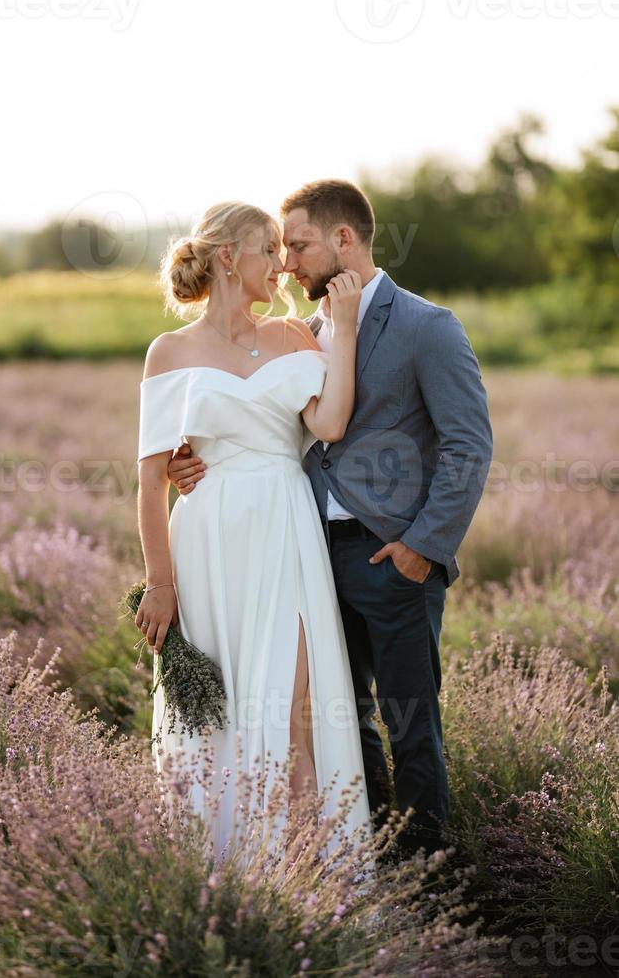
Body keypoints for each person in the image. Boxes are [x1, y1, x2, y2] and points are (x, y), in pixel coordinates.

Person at [168, 180, 494, 858]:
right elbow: (267, 422)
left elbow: (469, 445)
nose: (287, 263)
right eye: (281, 248)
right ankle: (368, 858)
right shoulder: (303, 333)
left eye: (299, 245)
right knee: (340, 724)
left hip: (394, 560)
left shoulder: (426, 326)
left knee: (414, 726)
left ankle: (428, 872)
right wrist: (189, 459)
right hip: (305, 556)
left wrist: (421, 548)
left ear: (344, 240)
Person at [135, 200, 372, 861]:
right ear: (228, 258)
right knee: (216, 718)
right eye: (269, 249)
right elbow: (151, 480)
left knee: (294, 713)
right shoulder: (169, 352)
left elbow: (327, 425)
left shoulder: (296, 335)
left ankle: (302, 879)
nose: (283, 263)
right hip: (206, 540)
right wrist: (161, 583)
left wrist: (344, 331)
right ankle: (219, 876)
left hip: (285, 531)